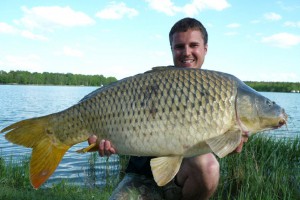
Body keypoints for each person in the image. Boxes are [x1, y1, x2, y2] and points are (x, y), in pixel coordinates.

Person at [88, 17, 248, 200]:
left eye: (193, 45)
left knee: (209, 166)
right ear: (172, 49)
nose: (186, 52)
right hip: (142, 175)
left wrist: (232, 142)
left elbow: (221, 146)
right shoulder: (155, 83)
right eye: (179, 47)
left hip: (184, 177)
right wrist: (106, 142)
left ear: (205, 48)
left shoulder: (219, 92)